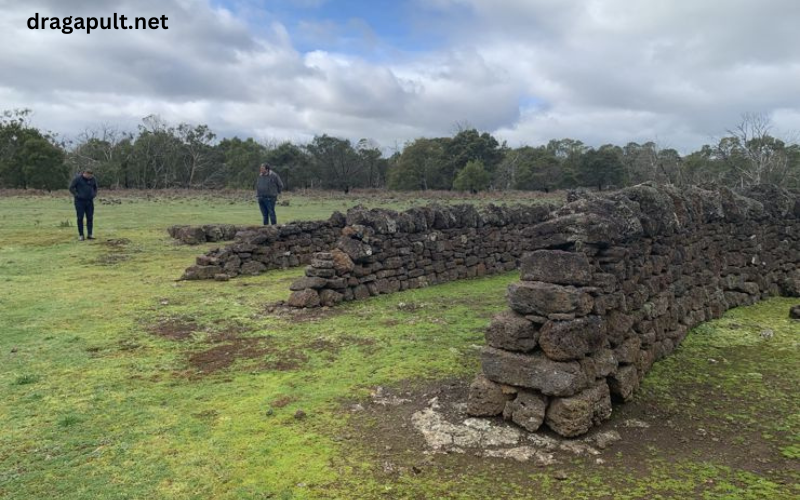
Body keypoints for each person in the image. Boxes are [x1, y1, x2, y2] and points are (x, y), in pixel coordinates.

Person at [68, 169, 98, 241]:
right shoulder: (77, 179)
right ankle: (81, 235)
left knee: (90, 218)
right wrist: (77, 195)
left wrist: (94, 194)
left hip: (89, 201)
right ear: (84, 173)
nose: (89, 177)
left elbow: (95, 187)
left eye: (91, 175)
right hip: (80, 202)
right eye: (88, 175)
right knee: (80, 218)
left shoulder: (93, 179)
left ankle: (90, 234)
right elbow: (71, 187)